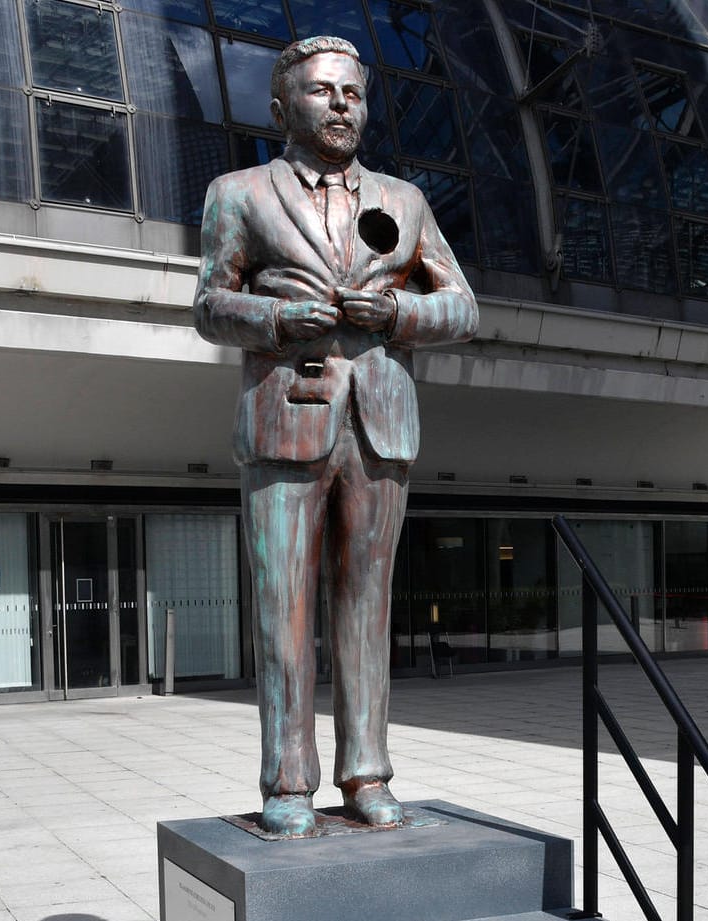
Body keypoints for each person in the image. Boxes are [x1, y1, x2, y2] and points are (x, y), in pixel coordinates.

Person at [193, 35, 478, 837]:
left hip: (380, 423)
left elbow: (462, 306)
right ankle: (287, 783)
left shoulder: (405, 199)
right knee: (282, 609)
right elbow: (210, 304)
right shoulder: (238, 192)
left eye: (352, 91)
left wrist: (398, 314)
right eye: (323, 92)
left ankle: (366, 774)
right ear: (283, 109)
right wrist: (278, 318)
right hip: (287, 414)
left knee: (366, 608)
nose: (342, 104)